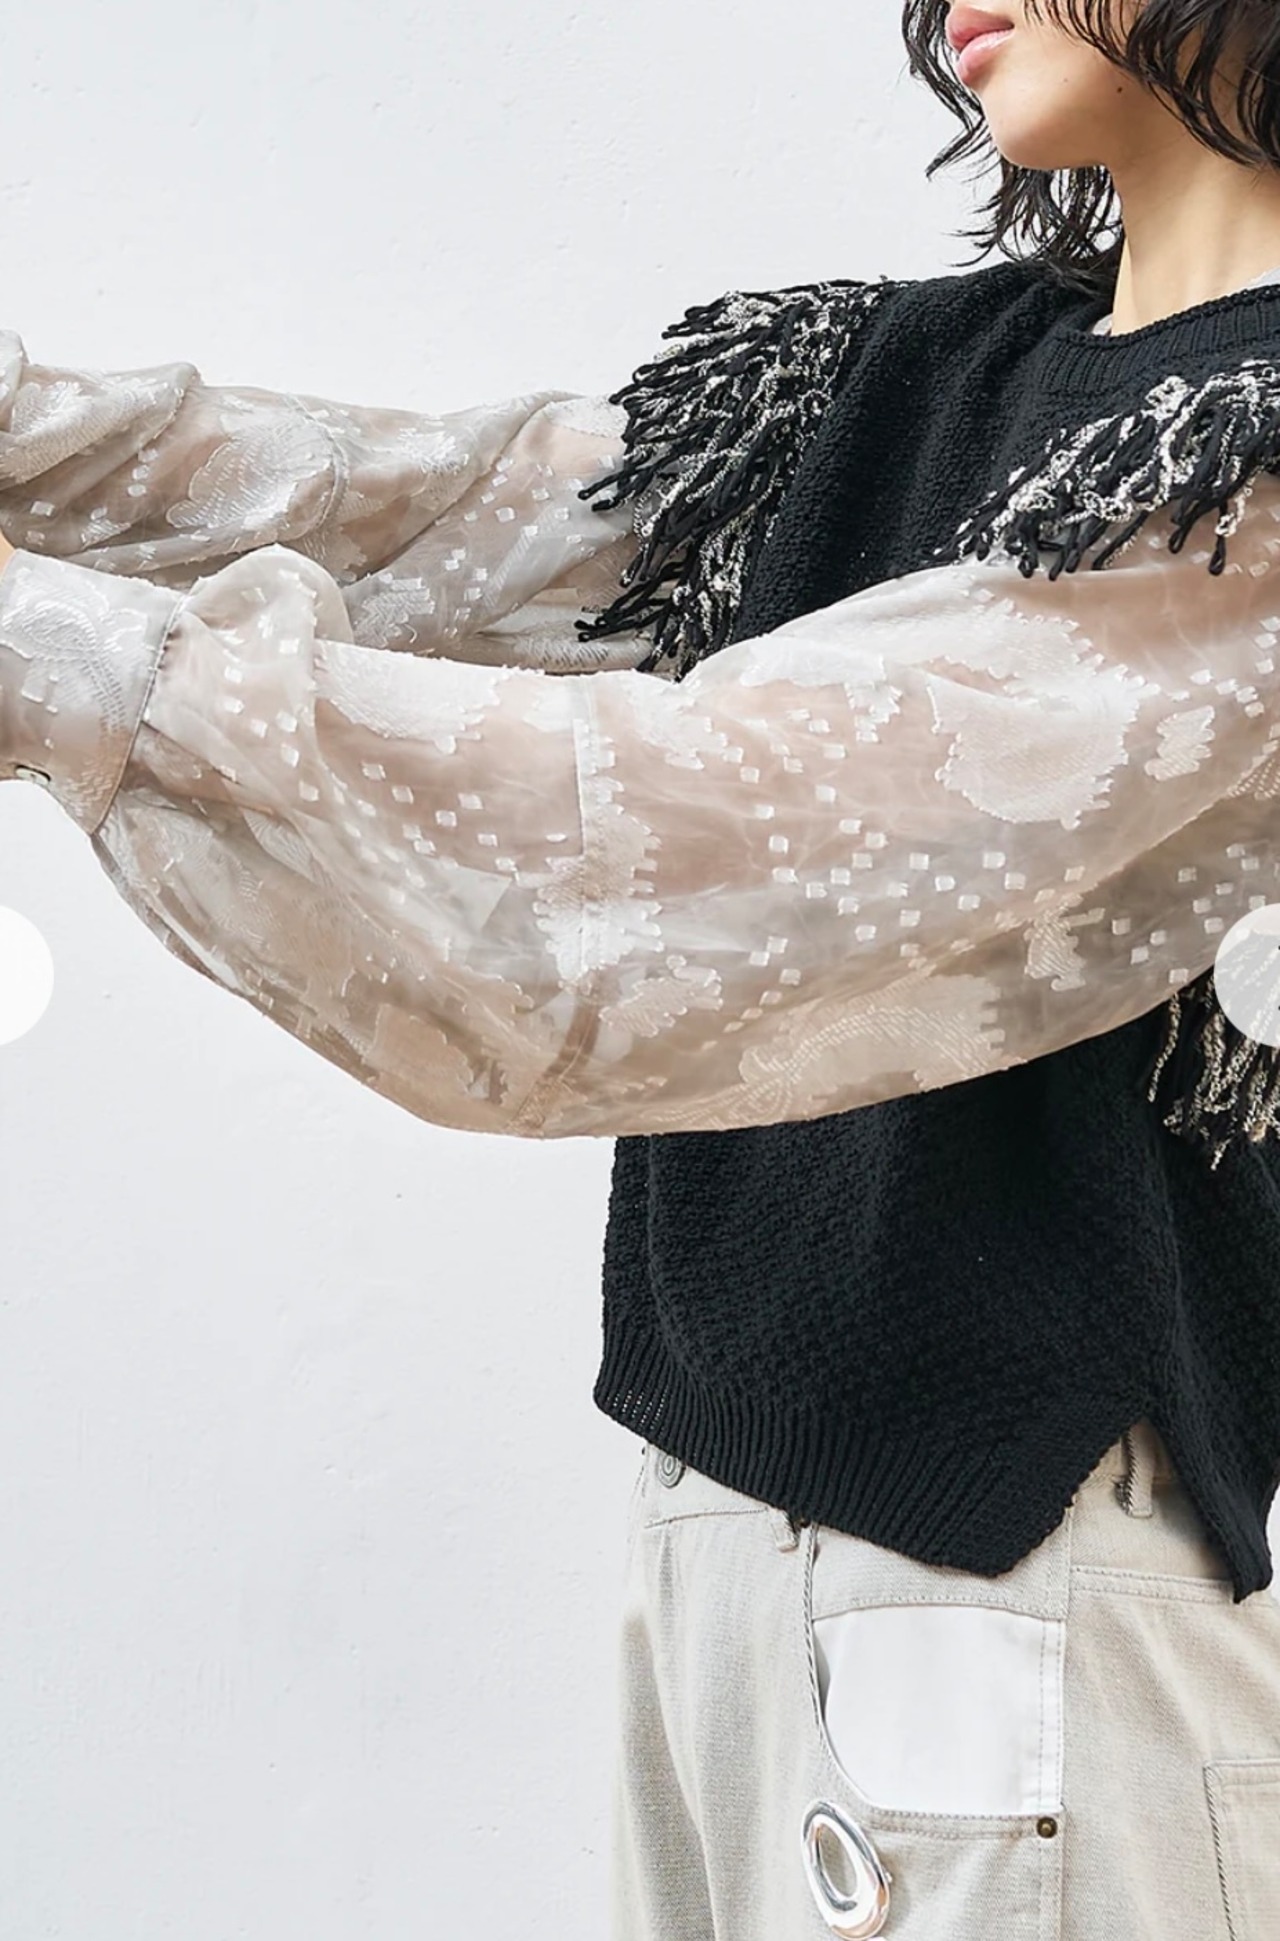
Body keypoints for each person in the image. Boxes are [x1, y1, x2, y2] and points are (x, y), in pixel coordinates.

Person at [4, 0, 1280, 1932]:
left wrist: (59, 657)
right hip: (741, 1561)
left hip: (1019, 1611)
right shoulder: (900, 377)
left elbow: (674, 842)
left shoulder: (1247, 478)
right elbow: (420, 524)